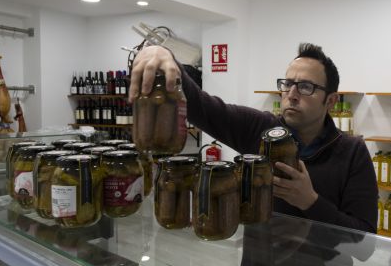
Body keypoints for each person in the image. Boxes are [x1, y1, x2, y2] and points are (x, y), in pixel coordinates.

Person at [129, 42, 377, 233]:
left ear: (331, 101)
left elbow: (365, 242)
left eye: (305, 87)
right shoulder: (259, 128)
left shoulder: (352, 152)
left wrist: (310, 201)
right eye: (287, 83)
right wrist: (160, 52)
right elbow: (202, 107)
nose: (290, 94)